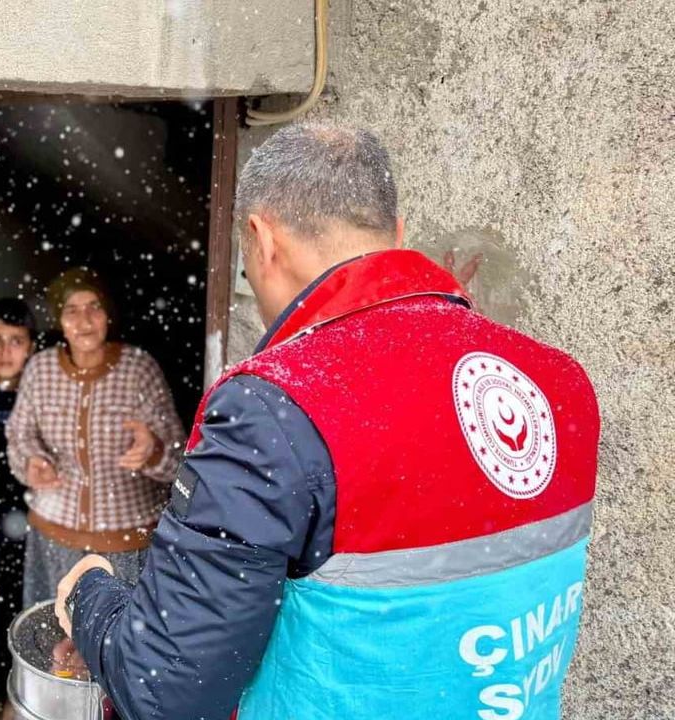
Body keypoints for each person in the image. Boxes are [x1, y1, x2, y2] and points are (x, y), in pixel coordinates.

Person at [55, 122, 599, 720]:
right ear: (395, 234)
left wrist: (88, 596)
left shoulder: (274, 408)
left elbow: (165, 692)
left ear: (262, 239)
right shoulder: (561, 382)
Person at [6, 267, 185, 609]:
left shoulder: (138, 369)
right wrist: (31, 462)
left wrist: (152, 450)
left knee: (121, 636)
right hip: (54, 539)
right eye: (71, 310)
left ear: (108, 315)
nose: (84, 320)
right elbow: (19, 433)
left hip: (126, 546)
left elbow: (179, 461)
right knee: (56, 632)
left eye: (94, 307)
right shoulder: (40, 369)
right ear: (59, 320)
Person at [0, 297, 36, 705]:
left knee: (28, 608)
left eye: (15, 341)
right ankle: (0, 690)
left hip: (32, 525)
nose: (5, 352)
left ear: (31, 346)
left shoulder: (41, 397)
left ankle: (23, 692)